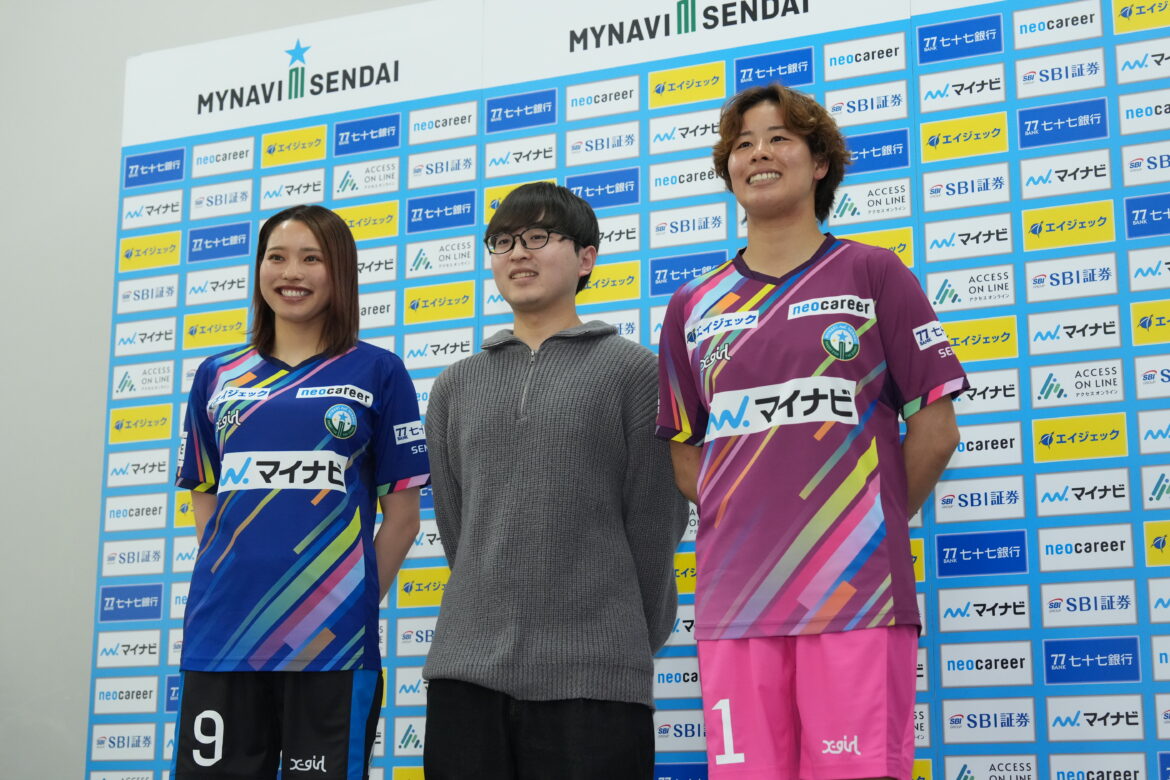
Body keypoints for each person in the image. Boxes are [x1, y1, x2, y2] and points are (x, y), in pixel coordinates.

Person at [656, 84, 967, 780]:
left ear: (820, 163)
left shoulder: (873, 272)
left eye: (779, 139)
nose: (758, 153)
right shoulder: (692, 304)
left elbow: (936, 430)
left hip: (857, 594)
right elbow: (684, 451)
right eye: (743, 144)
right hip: (736, 601)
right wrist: (754, 519)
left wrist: (862, 522)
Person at [422, 181, 689, 779]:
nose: (518, 253)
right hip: (466, 674)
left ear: (587, 257)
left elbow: (655, 526)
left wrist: (619, 640)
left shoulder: (634, 372)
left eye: (538, 237)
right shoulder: (454, 385)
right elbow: (458, 529)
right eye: (503, 241)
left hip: (596, 678)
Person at [173, 204, 428, 779]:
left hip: (332, 642)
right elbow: (205, 490)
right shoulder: (217, 374)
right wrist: (230, 570)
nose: (292, 273)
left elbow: (403, 518)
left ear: (340, 272)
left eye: (312, 259)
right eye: (277, 257)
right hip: (222, 633)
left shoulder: (378, 371)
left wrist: (348, 603)